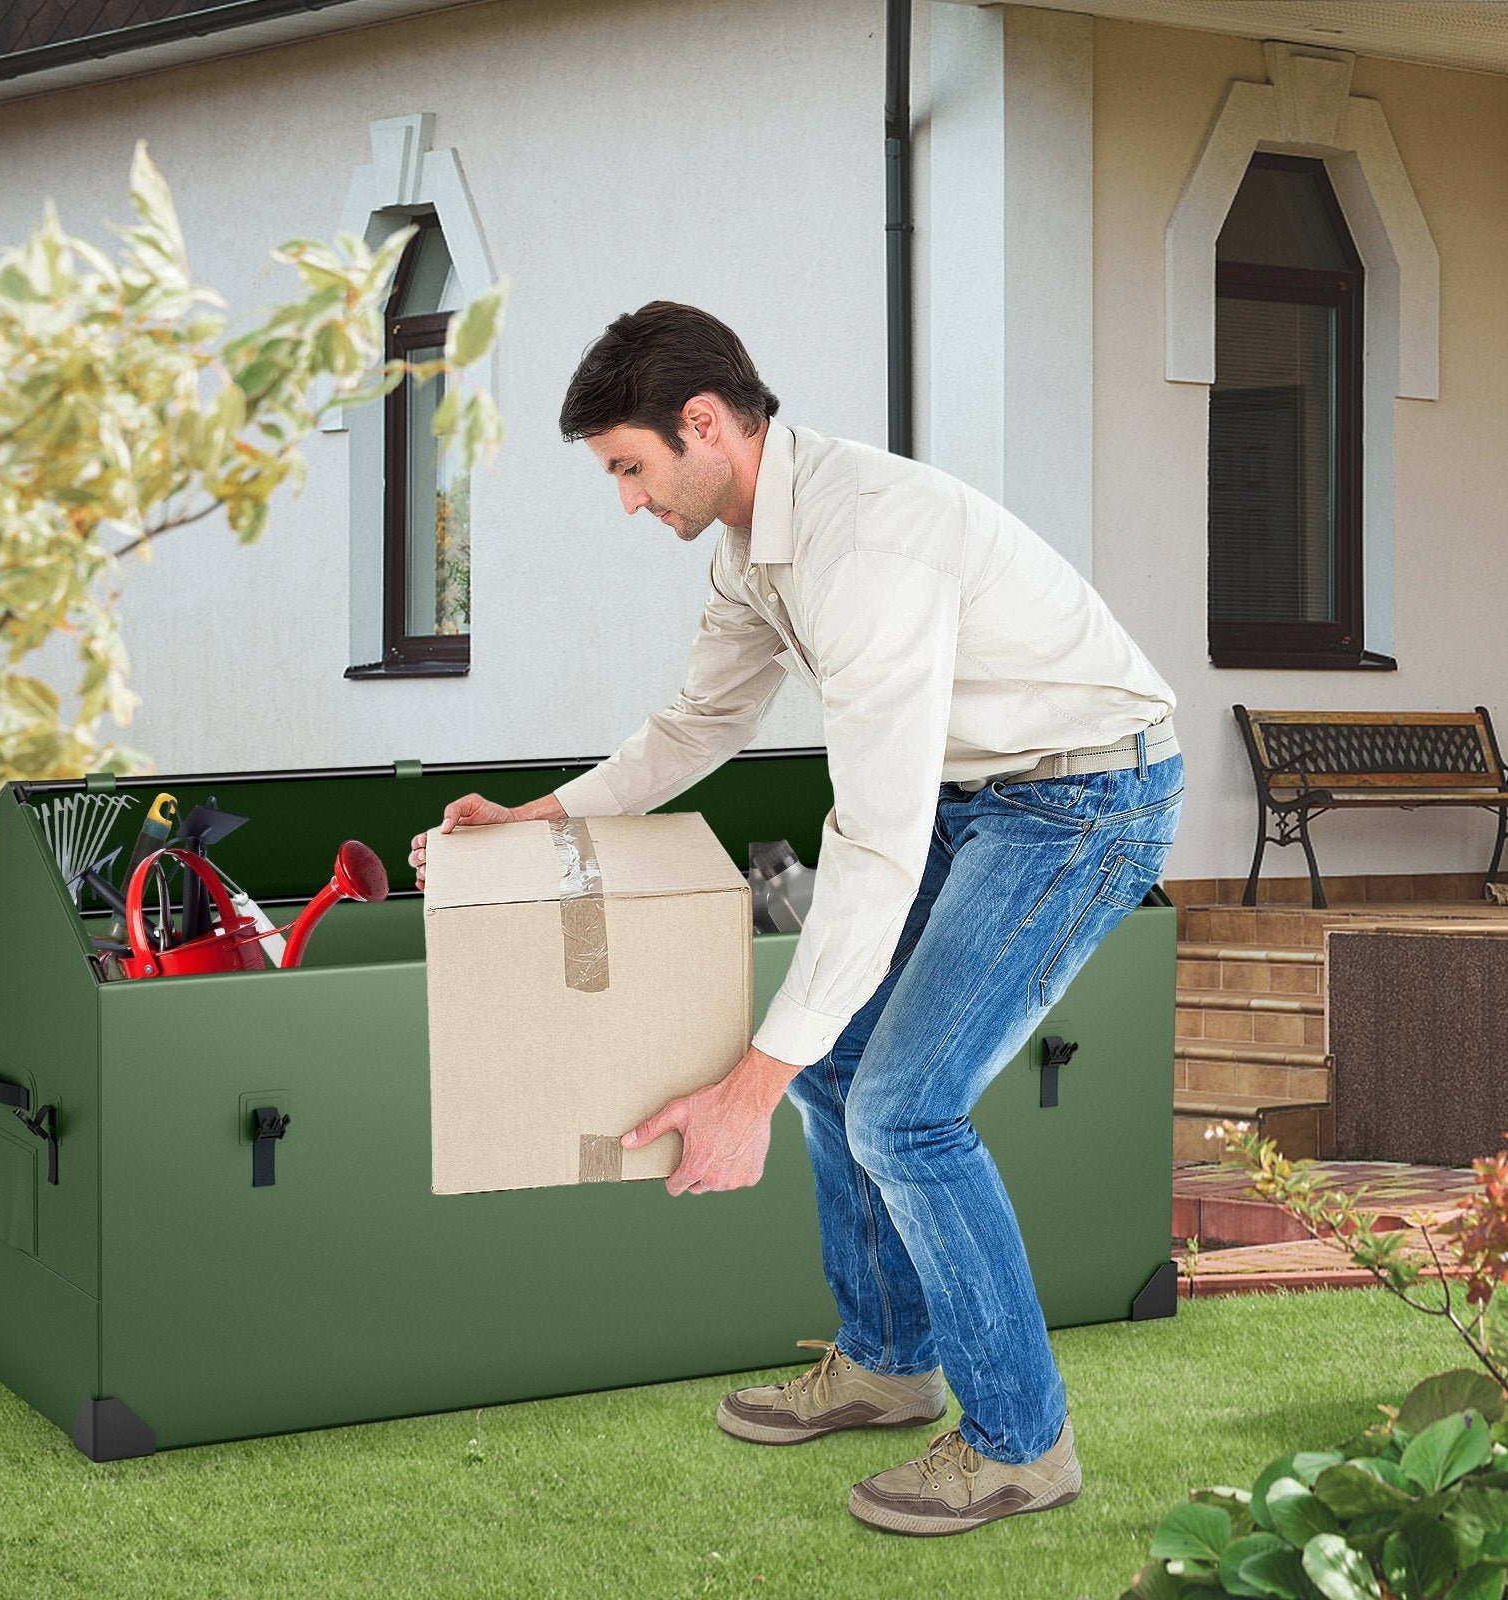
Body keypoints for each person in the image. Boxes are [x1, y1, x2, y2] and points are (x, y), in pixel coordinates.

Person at [408, 301, 1182, 1537]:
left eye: (629, 468)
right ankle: (885, 1363)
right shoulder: (748, 546)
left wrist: (748, 1087)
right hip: (976, 791)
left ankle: (1020, 1443)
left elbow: (871, 843)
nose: (624, 500)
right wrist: (542, 814)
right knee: (837, 1071)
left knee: (902, 1108)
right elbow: (695, 724)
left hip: (1083, 798)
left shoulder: (867, 550)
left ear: (703, 423)